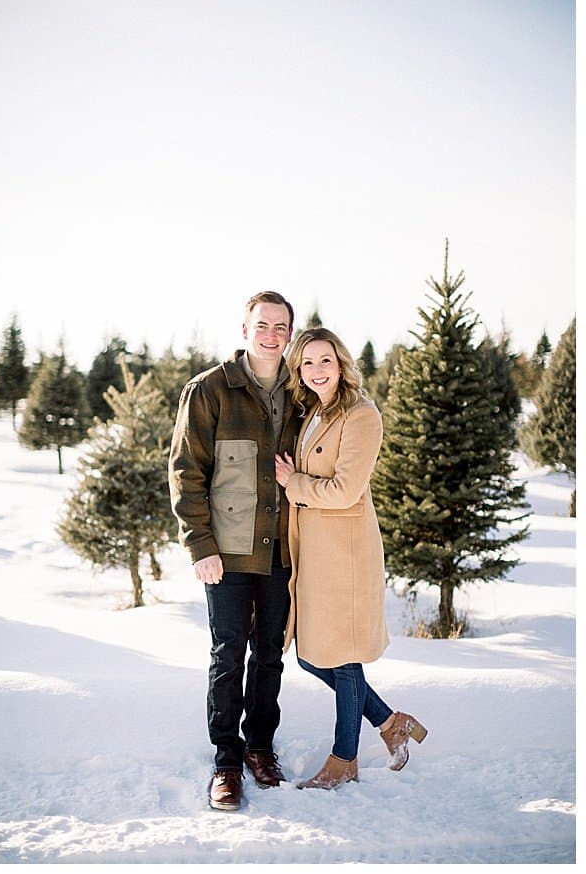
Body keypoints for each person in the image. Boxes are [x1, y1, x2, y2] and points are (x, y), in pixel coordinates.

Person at [274, 327, 427, 790]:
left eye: (326, 360)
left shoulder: (362, 415)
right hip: (316, 554)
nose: (317, 370)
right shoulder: (315, 413)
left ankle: (344, 760)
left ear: (341, 364)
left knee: (341, 657)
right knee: (310, 656)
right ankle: (389, 722)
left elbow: (344, 490)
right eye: (308, 363)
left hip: (345, 554)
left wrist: (293, 484)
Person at [168, 290, 301, 812]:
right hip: (225, 552)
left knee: (270, 655)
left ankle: (260, 748)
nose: (272, 336)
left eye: (281, 327)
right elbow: (186, 470)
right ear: (245, 330)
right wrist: (199, 544)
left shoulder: (301, 390)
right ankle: (226, 760)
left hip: (281, 551)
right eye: (263, 326)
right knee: (229, 655)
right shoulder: (210, 389)